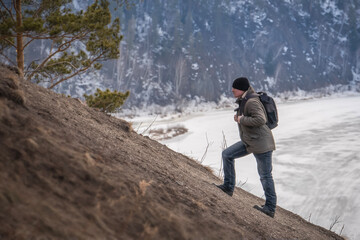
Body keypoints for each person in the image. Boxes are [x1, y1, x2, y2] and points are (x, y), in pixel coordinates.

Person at [215, 77, 277, 218]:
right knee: (227, 154)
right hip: (250, 141)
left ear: (241, 89)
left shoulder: (252, 101)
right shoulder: (245, 100)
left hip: (262, 144)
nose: (232, 90)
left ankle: (270, 208)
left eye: (234, 88)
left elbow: (261, 119)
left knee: (265, 176)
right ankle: (228, 187)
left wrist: (241, 119)